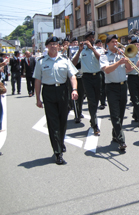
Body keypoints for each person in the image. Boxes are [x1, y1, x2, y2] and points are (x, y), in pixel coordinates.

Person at [33, 36, 78, 165]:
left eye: (55, 44)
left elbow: (72, 76)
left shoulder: (65, 60)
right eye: (51, 44)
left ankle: (60, 141)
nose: (54, 46)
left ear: (59, 46)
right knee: (53, 123)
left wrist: (74, 89)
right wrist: (38, 99)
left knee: (63, 121)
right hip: (48, 92)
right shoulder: (41, 62)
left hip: (63, 91)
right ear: (47, 47)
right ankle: (58, 152)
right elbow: (37, 80)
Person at [100, 34, 131, 151]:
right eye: (113, 42)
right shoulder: (104, 56)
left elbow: (129, 69)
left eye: (116, 42)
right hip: (111, 87)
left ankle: (115, 134)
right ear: (107, 44)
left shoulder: (121, 55)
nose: (115, 44)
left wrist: (126, 59)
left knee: (121, 114)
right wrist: (118, 62)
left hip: (123, 86)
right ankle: (121, 140)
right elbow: (107, 70)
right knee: (115, 114)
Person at [72, 31, 104, 136]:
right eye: (89, 38)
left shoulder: (99, 49)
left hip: (98, 76)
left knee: (97, 99)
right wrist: (79, 50)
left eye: (92, 37)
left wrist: (93, 49)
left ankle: (93, 120)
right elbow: (74, 63)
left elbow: (102, 59)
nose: (91, 39)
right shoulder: (82, 51)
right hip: (86, 77)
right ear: (86, 40)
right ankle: (95, 125)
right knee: (91, 100)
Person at [95, 39, 107, 110]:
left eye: (100, 43)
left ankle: (103, 101)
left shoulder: (103, 50)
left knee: (104, 87)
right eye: (98, 43)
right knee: (100, 88)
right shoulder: (95, 51)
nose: (100, 44)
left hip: (104, 71)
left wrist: (104, 50)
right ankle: (101, 102)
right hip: (98, 71)